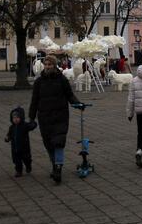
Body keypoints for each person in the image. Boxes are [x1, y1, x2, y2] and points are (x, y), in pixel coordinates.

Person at [29, 54, 83, 184]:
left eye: (50, 64)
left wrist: (77, 104)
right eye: (46, 64)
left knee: (58, 141)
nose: (47, 67)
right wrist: (31, 117)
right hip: (44, 117)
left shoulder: (62, 80)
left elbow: (69, 95)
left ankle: (58, 168)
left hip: (60, 115)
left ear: (54, 65)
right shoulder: (39, 82)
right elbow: (34, 100)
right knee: (48, 143)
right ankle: (54, 164)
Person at [5, 107, 37, 177]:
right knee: (17, 160)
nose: (15, 119)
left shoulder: (24, 125)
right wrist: (7, 138)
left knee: (26, 158)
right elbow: (9, 134)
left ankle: (28, 165)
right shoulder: (12, 127)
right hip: (15, 148)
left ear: (21, 118)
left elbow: (31, 126)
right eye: (14, 118)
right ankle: (19, 171)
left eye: (17, 118)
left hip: (24, 148)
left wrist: (33, 123)